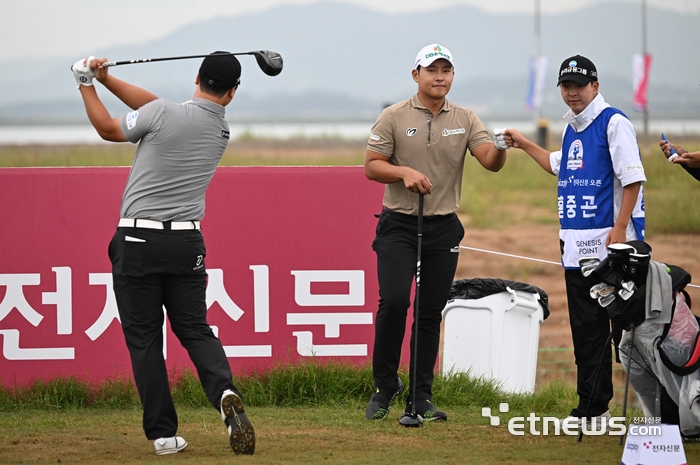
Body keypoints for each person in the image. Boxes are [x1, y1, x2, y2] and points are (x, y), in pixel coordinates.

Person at [71, 53, 255, 455]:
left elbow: (107, 128)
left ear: (197, 76)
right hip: (188, 244)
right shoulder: (218, 129)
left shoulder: (161, 114)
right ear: (232, 93)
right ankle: (224, 391)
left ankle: (164, 434)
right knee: (195, 329)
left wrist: (84, 81)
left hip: (138, 241)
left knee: (144, 340)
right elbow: (155, 107)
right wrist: (106, 79)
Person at [364, 44, 508, 423]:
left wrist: (503, 147)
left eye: (446, 70)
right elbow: (372, 166)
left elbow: (489, 162)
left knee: (430, 312)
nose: (439, 76)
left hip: (443, 226)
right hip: (399, 224)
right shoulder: (392, 116)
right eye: (432, 70)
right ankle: (384, 387)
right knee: (394, 302)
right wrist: (404, 173)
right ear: (416, 75)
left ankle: (422, 396)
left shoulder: (466, 118)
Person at [502, 55, 646, 426]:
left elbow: (633, 180)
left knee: (631, 334)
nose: (572, 93)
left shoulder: (613, 123)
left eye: (579, 86)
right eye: (566, 86)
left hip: (614, 253)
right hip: (575, 250)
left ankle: (659, 408)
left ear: (595, 86)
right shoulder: (572, 129)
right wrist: (521, 143)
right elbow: (558, 164)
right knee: (586, 332)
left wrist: (619, 229)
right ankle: (593, 408)